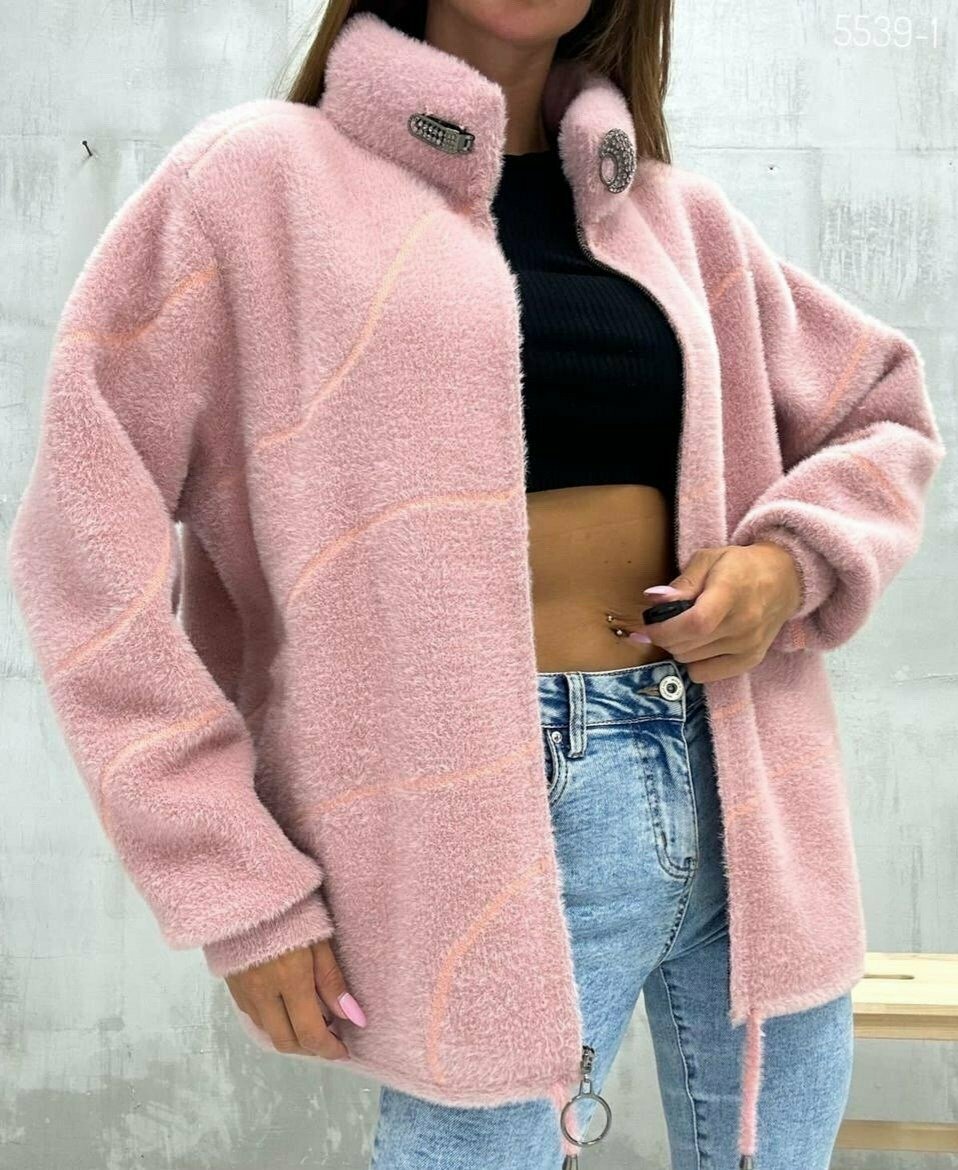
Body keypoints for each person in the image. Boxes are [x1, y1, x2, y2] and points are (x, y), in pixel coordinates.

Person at [6, 2, 946, 1168]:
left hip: (752, 797)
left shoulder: (672, 216)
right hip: (476, 830)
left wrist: (784, 565)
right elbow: (79, 551)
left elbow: (882, 410)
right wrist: (234, 885)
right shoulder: (254, 184)